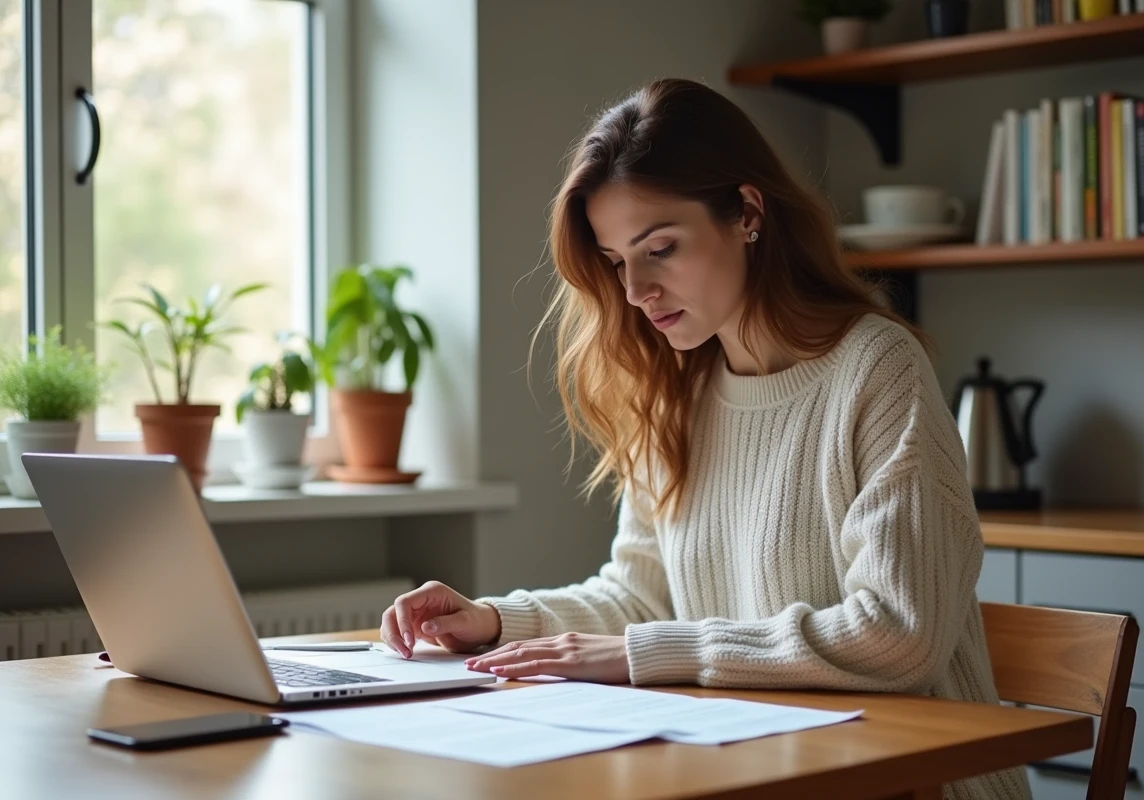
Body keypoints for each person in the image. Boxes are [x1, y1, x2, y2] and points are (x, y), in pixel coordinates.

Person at [381, 78, 1030, 800]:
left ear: (747, 214)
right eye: (618, 261)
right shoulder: (679, 391)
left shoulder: (875, 369)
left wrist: (638, 655)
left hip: (914, 783)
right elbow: (643, 598)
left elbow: (897, 634)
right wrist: (497, 622)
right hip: (764, 769)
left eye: (660, 248)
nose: (636, 291)